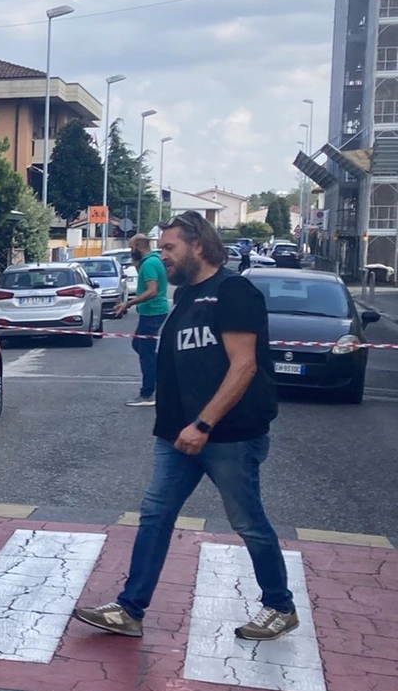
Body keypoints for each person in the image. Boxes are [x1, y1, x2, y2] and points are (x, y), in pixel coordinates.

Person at [73, 212, 298, 641]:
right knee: (155, 516)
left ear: (198, 245)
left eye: (170, 248)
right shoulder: (188, 297)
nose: (162, 256)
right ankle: (129, 609)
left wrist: (203, 423)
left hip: (227, 435)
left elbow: (244, 366)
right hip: (177, 435)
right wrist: (178, 425)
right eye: (160, 248)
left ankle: (280, 606)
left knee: (248, 520)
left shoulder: (234, 292)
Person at [110, 233, 168, 408]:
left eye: (131, 247)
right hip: (153, 311)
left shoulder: (149, 264)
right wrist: (136, 263)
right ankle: (165, 370)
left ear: (139, 247)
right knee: (139, 346)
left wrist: (128, 303)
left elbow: (152, 291)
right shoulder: (151, 261)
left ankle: (147, 393)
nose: (130, 250)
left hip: (153, 311)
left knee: (146, 352)